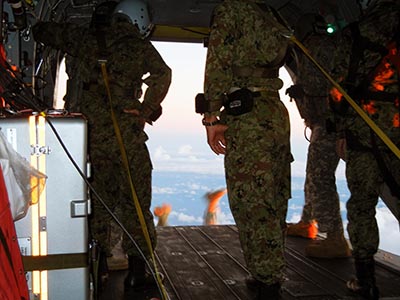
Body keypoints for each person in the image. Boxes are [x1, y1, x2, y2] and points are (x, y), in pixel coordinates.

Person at [32, 0, 171, 293]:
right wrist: (146, 110)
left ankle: (100, 267)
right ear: (140, 20)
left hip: (91, 138)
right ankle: (137, 272)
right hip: (126, 135)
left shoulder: (86, 37)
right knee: (136, 203)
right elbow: (163, 73)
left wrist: (34, 22)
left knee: (98, 203)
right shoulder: (137, 45)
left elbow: (43, 31)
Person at [201, 1, 292, 298]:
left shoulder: (232, 8)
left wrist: (211, 116)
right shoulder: (270, 12)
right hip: (274, 110)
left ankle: (267, 283)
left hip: (249, 116)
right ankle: (269, 274)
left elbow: (218, 60)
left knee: (252, 200)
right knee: (274, 196)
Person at [330, 0, 400, 298]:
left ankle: (366, 281)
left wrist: (339, 128)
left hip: (365, 131)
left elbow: (337, 87)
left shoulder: (356, 33)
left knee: (362, 205)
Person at [285, 13, 351, 258]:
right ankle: (307, 221)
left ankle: (333, 237)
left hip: (331, 121)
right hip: (325, 121)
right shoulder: (317, 45)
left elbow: (315, 83)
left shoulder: (318, 45)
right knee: (314, 173)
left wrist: (301, 91)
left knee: (320, 177)